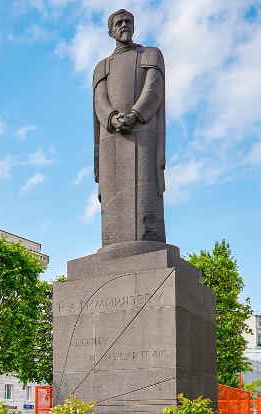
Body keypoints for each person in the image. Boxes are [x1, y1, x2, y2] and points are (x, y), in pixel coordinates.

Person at [93, 8, 166, 248]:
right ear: (110, 31)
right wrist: (112, 118)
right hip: (110, 136)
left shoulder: (151, 54)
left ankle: (147, 239)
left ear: (133, 27)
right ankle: (112, 243)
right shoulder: (101, 67)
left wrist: (135, 115)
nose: (124, 25)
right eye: (119, 22)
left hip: (143, 131)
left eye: (128, 22)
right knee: (113, 200)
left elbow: (154, 89)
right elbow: (99, 100)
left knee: (145, 191)